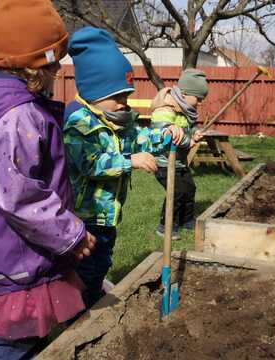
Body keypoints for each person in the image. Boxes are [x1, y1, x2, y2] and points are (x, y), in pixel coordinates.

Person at [0, 0, 95, 358]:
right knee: (13, 343)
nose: (58, 72)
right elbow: (20, 197)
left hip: (20, 249)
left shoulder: (18, 108)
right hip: (18, 255)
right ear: (39, 66)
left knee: (31, 336)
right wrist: (69, 234)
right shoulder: (17, 117)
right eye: (56, 63)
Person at [63, 27, 185, 308]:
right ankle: (77, 314)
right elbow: (89, 163)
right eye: (117, 96)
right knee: (87, 268)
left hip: (107, 216)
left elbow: (138, 139)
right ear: (94, 90)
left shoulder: (117, 119)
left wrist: (163, 134)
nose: (124, 103)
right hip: (85, 217)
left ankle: (90, 296)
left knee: (102, 260)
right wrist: (129, 161)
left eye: (127, 96)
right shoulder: (79, 123)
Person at [150, 69, 209, 240]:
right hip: (164, 163)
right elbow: (165, 133)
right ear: (184, 94)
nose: (199, 103)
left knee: (189, 188)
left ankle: (186, 220)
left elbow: (187, 129)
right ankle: (166, 226)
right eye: (198, 99)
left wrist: (194, 134)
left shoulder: (184, 110)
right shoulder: (165, 109)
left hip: (180, 162)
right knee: (176, 192)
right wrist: (187, 142)